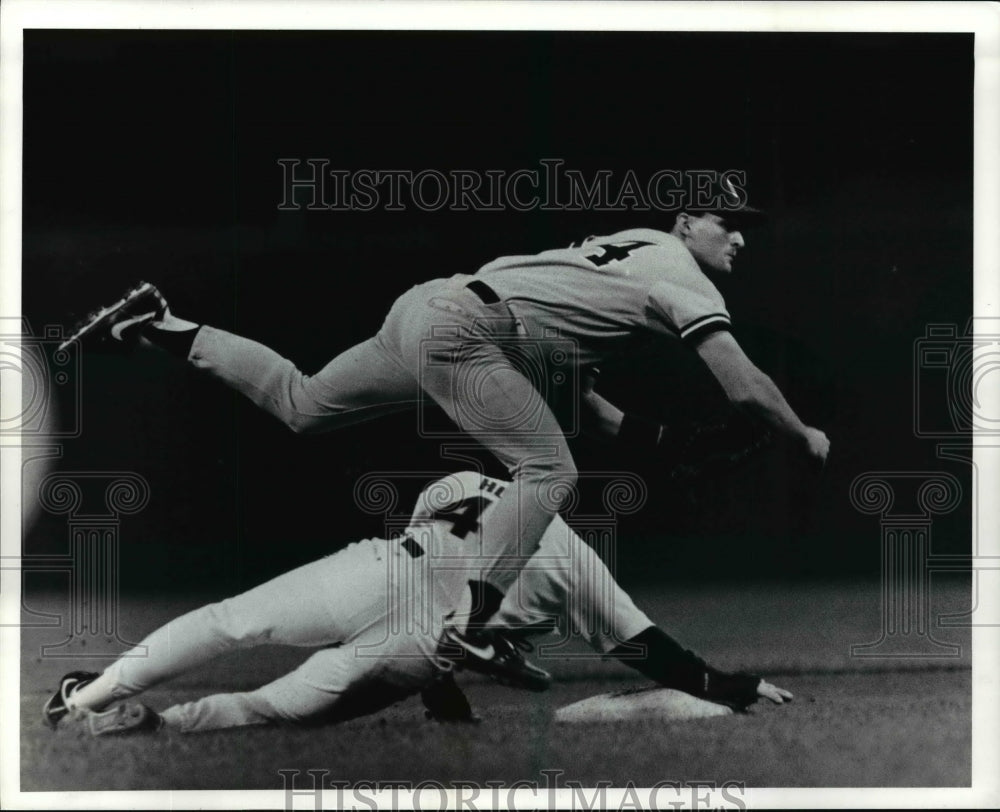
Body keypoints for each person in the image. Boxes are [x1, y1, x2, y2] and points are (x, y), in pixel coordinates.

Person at [60, 188, 830, 671]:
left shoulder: (610, 258)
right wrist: (805, 438)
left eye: (747, 228)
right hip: (469, 329)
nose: (739, 238)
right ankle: (473, 623)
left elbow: (586, 405)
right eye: (728, 222)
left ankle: (163, 324)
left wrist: (659, 445)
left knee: (303, 403)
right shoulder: (679, 276)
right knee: (549, 474)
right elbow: (745, 386)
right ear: (685, 220)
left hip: (430, 307)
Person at [42, 471, 792, 736]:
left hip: (377, 576)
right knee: (271, 710)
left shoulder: (472, 480)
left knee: (229, 621)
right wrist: (729, 684)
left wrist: (443, 688)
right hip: (416, 650)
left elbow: (421, 537)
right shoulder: (576, 561)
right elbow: (646, 649)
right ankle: (162, 727)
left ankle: (88, 698)